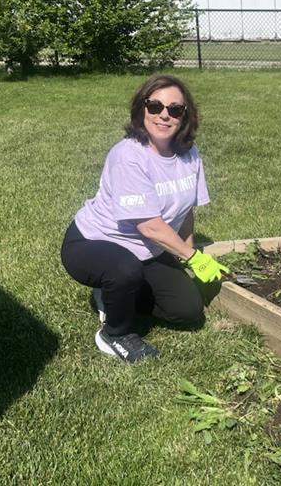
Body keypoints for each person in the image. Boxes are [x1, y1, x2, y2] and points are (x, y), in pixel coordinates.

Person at [60, 74, 228, 362]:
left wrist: (184, 253)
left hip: (145, 250)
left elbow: (186, 211)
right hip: (93, 243)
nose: (164, 115)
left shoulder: (189, 154)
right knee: (124, 270)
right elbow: (149, 226)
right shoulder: (128, 156)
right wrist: (193, 258)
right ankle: (114, 334)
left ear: (185, 116)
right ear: (142, 109)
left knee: (187, 311)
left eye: (175, 109)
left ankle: (118, 294)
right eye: (155, 106)